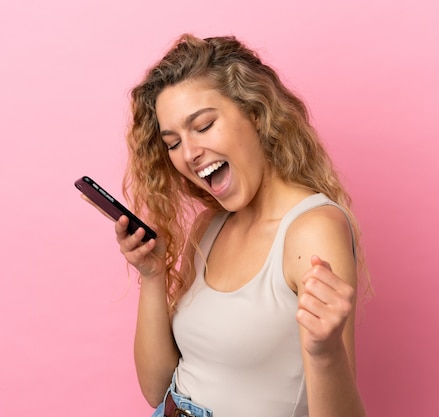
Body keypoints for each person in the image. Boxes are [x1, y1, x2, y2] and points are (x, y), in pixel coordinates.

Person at [112, 34, 368, 417]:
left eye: (203, 125)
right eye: (173, 142)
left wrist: (326, 351)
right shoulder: (209, 228)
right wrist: (152, 277)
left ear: (255, 112)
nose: (189, 154)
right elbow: (156, 388)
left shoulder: (313, 230)